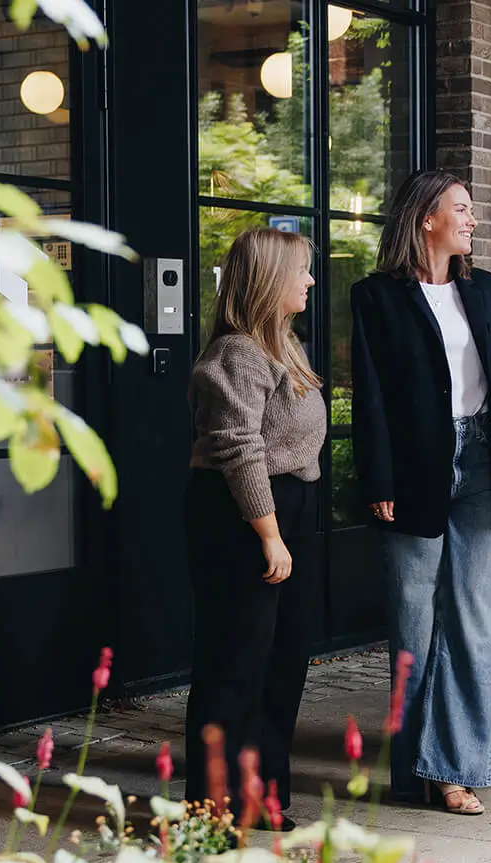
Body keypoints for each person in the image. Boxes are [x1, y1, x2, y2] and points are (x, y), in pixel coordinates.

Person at [350, 170, 491, 815]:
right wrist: (379, 478)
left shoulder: (485, 290)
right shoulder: (376, 296)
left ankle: (454, 769)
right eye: (463, 209)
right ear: (427, 219)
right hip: (413, 468)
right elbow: (368, 396)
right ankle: (409, 770)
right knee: (413, 625)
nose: (473, 220)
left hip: (481, 458)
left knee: (476, 622)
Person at [184, 228, 327, 828]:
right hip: (241, 515)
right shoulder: (236, 354)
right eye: (302, 271)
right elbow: (239, 448)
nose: (311, 281)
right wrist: (268, 534)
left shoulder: (283, 345)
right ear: (270, 280)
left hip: (284, 508)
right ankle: (213, 808)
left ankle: (263, 792)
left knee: (283, 659)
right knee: (235, 662)